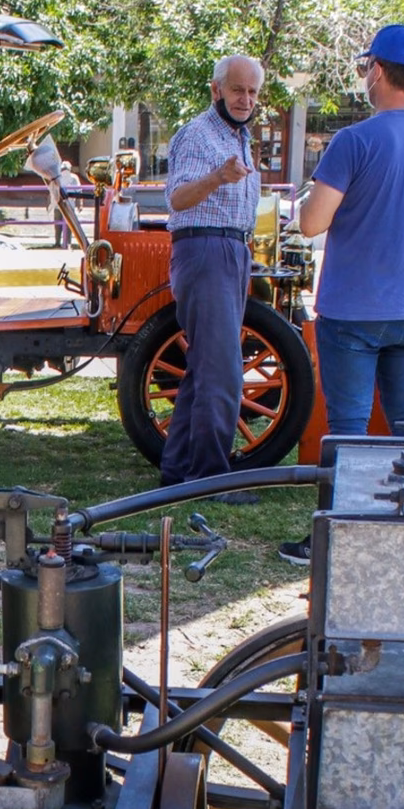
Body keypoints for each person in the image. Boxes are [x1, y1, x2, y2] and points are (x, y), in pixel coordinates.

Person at [280, 24, 404, 563]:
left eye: (365, 69)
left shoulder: (354, 141)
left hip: (354, 309)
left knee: (349, 429)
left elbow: (311, 222)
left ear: (377, 71)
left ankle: (335, 539)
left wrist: (307, 205)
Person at [159, 53, 265, 498]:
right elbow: (177, 198)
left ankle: (179, 469)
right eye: (238, 89)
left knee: (205, 370)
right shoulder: (198, 135)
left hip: (230, 250)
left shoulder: (239, 136)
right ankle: (210, 479)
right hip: (206, 248)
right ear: (216, 89)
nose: (246, 99)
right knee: (222, 372)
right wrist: (218, 177)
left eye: (253, 92)